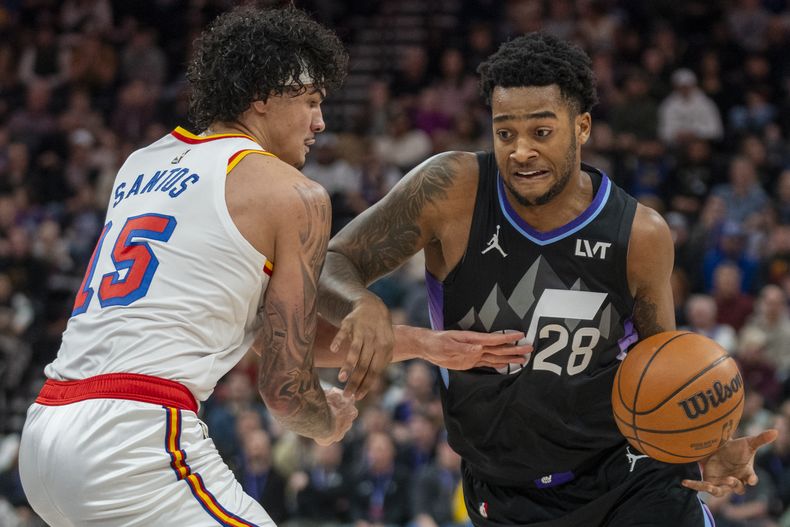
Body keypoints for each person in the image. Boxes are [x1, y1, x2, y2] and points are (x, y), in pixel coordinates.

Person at [17, 7, 529, 525]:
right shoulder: (293, 195)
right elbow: (284, 388)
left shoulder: (140, 163)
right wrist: (324, 421)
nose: (320, 121)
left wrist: (424, 345)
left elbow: (266, 333)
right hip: (136, 436)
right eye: (310, 101)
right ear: (261, 96)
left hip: (45, 432)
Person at [319, 33, 778, 526]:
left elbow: (664, 364)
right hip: (503, 489)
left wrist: (705, 443)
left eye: (541, 132)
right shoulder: (449, 191)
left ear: (581, 128)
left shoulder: (639, 233)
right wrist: (362, 305)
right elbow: (331, 263)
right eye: (505, 133)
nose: (520, 151)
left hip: (629, 481)